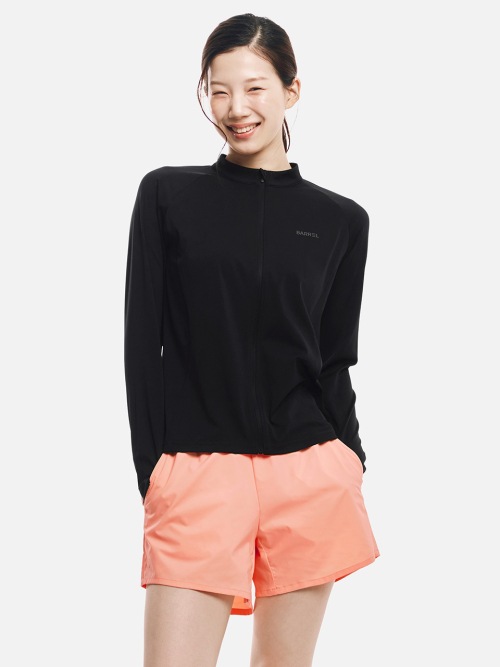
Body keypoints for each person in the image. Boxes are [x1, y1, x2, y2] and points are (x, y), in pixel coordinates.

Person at [124, 12, 380, 667]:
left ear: (291, 91)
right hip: (197, 471)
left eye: (255, 88)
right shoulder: (167, 196)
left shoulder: (341, 220)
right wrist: (153, 469)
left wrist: (350, 458)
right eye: (219, 90)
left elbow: (334, 358)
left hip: (310, 473)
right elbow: (141, 345)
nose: (236, 108)